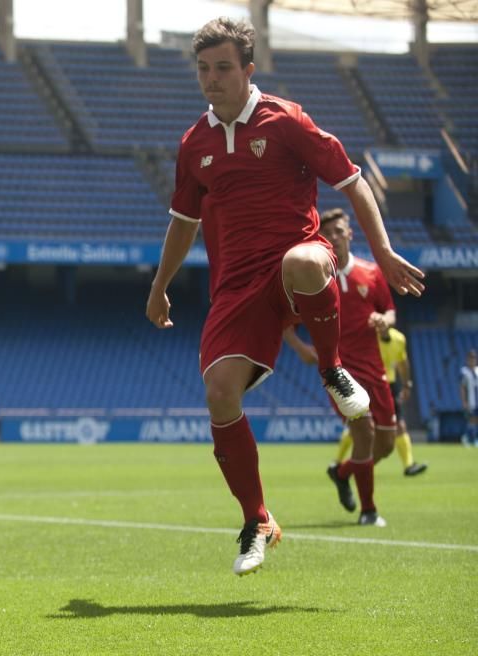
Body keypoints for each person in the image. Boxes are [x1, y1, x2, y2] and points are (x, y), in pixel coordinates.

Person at [145, 18, 424, 575]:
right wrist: (160, 286)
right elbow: (183, 222)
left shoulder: (286, 119)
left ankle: (332, 369)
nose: (212, 78)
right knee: (220, 395)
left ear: (249, 69)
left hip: (300, 258)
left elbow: (352, 181)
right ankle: (258, 521)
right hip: (235, 287)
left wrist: (384, 251)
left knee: (300, 261)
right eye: (203, 68)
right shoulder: (193, 143)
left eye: (224, 67)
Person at [284, 208, 405, 527]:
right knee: (364, 433)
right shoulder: (313, 279)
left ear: (350, 234)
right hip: (338, 372)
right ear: (321, 239)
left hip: (374, 369)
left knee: (386, 444)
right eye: (328, 233)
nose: (335, 237)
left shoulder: (371, 273)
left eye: (340, 231)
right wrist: (300, 349)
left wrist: (383, 321)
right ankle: (369, 511)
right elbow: (285, 322)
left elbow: (390, 310)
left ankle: (342, 472)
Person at [331, 325, 427, 475]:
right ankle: (337, 463)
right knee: (359, 426)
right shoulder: (367, 337)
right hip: (368, 383)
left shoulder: (399, 339)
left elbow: (403, 363)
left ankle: (409, 465)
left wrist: (407, 384)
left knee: (399, 426)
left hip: (389, 385)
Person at [461, 349, 478, 446]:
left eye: (474, 358)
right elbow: (462, 387)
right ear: (467, 359)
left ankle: (474, 438)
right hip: (471, 401)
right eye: (471, 358)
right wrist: (464, 401)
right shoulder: (464, 371)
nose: (472, 360)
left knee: (476, 420)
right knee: (472, 419)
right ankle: (467, 438)